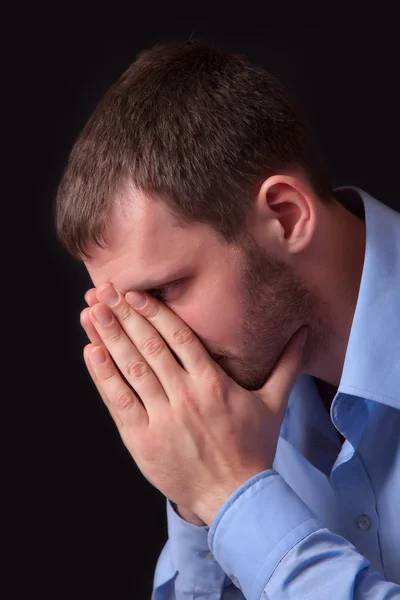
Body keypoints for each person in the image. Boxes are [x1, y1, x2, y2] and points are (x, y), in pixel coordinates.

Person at [54, 40, 400, 598]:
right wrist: (198, 506)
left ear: (286, 216)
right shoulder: (233, 396)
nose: (150, 345)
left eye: (163, 291)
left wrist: (234, 494)